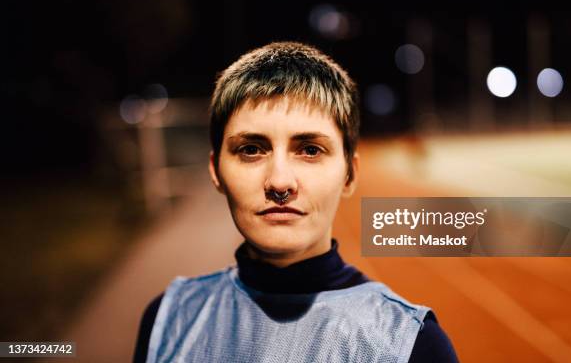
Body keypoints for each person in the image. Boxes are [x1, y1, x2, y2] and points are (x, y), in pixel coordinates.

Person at [133, 42, 458, 362]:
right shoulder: (166, 321)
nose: (280, 182)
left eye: (310, 150)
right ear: (216, 171)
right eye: (251, 149)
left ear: (349, 174)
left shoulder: (411, 345)